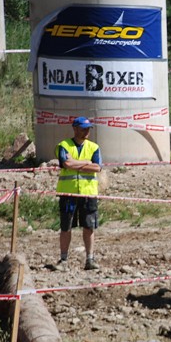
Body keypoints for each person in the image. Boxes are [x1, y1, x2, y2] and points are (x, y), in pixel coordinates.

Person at [54, 116, 103, 271]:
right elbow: (66, 163)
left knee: (89, 227)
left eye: (88, 128)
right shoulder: (64, 145)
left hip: (88, 193)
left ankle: (90, 259)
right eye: (83, 128)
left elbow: (97, 168)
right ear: (75, 128)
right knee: (66, 227)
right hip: (68, 194)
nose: (86, 131)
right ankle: (63, 260)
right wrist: (86, 163)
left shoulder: (94, 147)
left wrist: (76, 163)